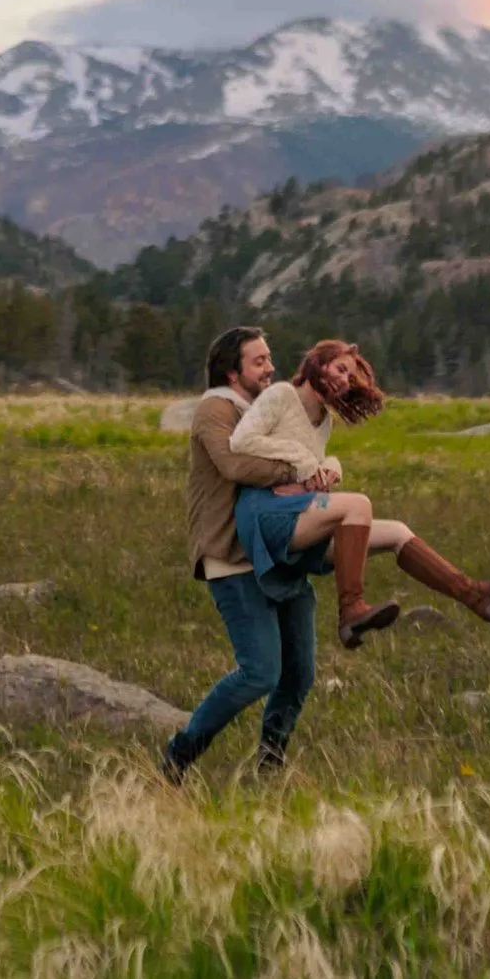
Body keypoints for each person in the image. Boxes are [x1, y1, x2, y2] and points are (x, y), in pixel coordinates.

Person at [230, 338, 490, 649]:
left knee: (397, 532)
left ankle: (478, 597)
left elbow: (311, 465)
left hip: (300, 515)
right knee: (358, 505)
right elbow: (240, 442)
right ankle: (351, 611)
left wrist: (330, 467)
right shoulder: (281, 395)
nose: (345, 379)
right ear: (320, 362)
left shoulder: (324, 421)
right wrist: (300, 459)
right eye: (340, 369)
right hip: (265, 514)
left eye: (349, 376)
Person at [161, 326, 322, 783]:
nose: (271, 367)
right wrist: (298, 468)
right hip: (231, 557)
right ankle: (176, 761)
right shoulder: (215, 409)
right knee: (260, 672)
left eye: (270, 358)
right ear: (233, 372)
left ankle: (270, 768)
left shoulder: (267, 411)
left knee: (299, 674)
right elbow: (233, 464)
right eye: (259, 361)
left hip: (277, 552)